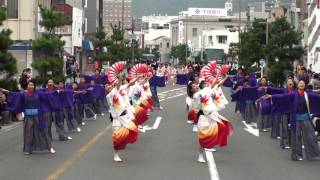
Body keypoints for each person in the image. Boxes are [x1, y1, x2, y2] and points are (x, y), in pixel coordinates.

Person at [265, 80, 320, 161]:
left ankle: (314, 154)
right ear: (297, 85)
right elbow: (283, 96)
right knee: (296, 137)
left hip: (306, 118)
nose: (301, 84)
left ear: (305, 86)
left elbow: (317, 97)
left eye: (303, 83)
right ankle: (297, 155)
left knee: (311, 135)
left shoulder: (307, 94)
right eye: (300, 83)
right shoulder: (293, 94)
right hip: (296, 118)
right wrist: (272, 96)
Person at [1, 80, 56, 154]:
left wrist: (57, 92)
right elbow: (15, 95)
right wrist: (6, 91)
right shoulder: (24, 94)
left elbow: (48, 95)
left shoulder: (39, 93)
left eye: (32, 85)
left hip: (37, 115)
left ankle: (49, 147)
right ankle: (28, 149)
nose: (31, 86)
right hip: (28, 116)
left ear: (34, 86)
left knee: (43, 131)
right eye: (29, 85)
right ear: (27, 86)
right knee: (28, 133)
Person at [105, 72, 139, 162]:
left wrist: (137, 77)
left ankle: (125, 141)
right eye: (106, 86)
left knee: (132, 130)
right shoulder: (110, 95)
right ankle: (116, 155)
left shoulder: (117, 91)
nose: (107, 86)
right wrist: (120, 78)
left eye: (108, 85)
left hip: (126, 115)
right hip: (117, 119)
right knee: (116, 138)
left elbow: (129, 84)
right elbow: (118, 85)